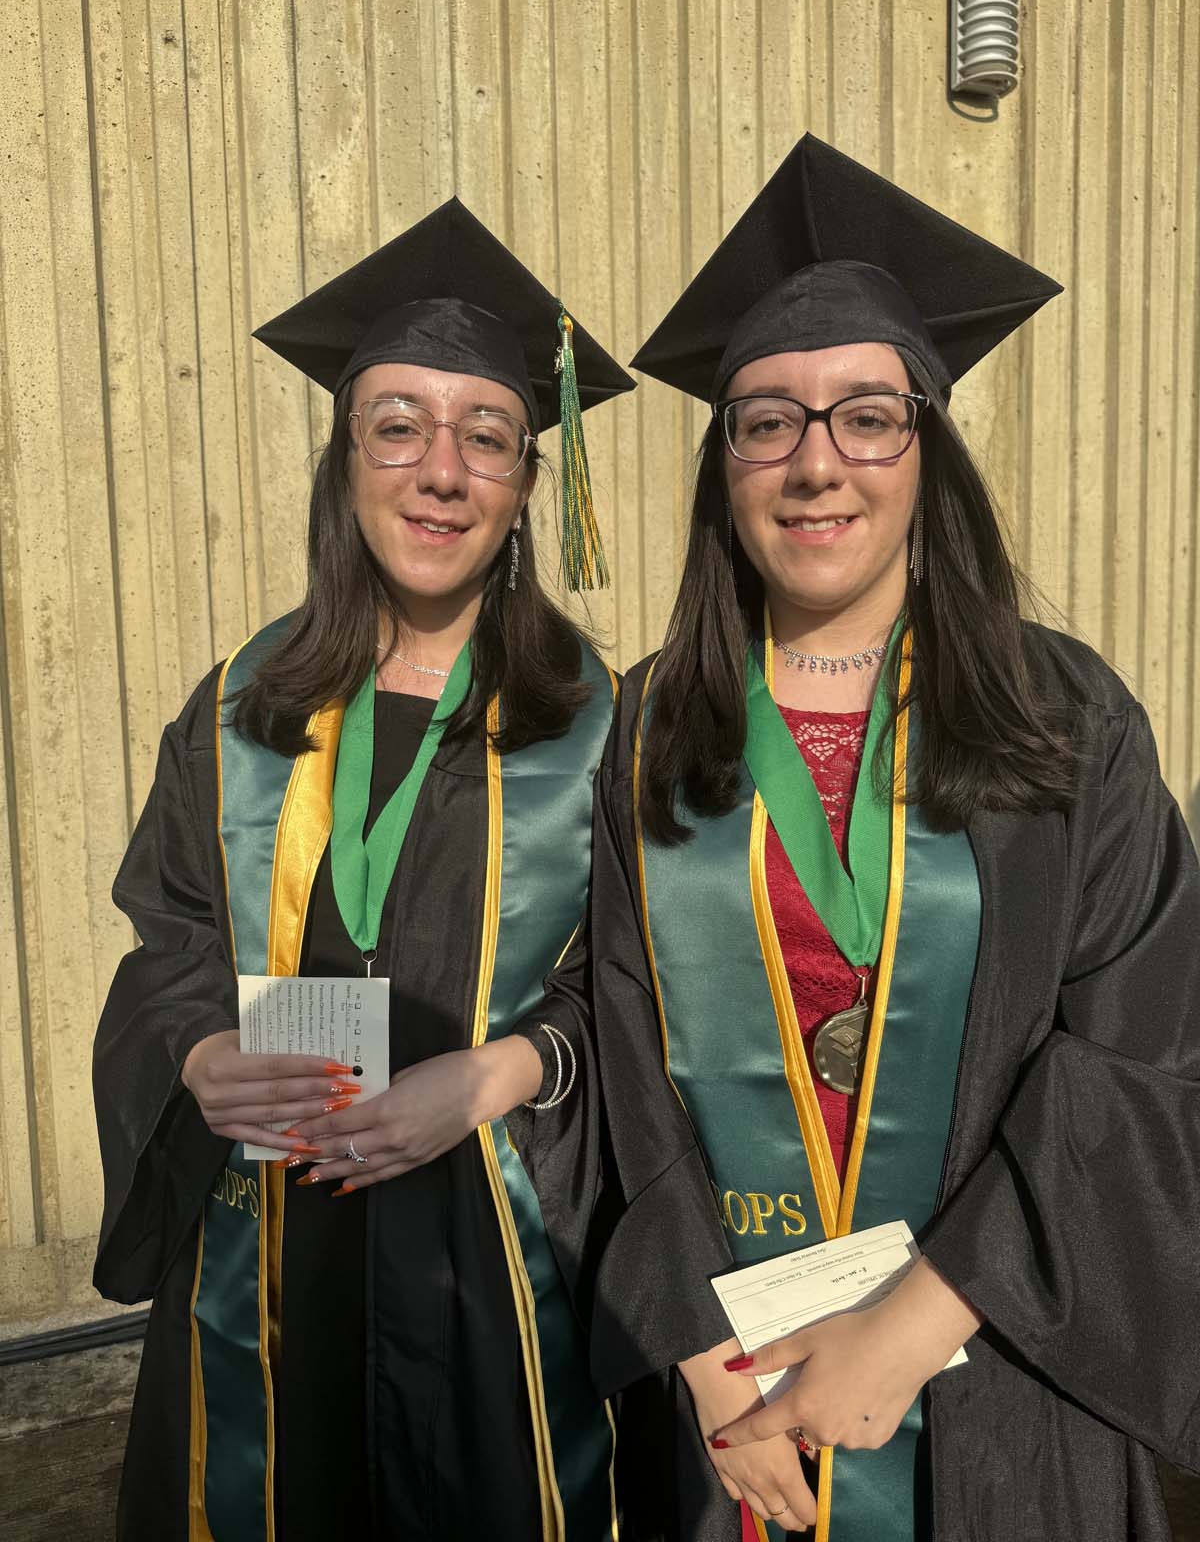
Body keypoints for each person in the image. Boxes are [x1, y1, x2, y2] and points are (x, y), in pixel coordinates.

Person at [586, 136, 1200, 1540]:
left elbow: (1142, 1050)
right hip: (737, 1398)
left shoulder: (1063, 715)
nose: (816, 463)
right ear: (722, 462)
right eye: (768, 420)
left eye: (868, 414)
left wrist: (912, 1325)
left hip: (1000, 1374)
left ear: (929, 447)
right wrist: (692, 1344)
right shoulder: (645, 732)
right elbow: (616, 1064)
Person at [91, 198, 634, 1541]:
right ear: (346, 463)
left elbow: (645, 991)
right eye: (397, 425)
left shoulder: (599, 724)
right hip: (270, 1241)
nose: (438, 470)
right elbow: (164, 940)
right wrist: (199, 1054)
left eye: (487, 438)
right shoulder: (235, 710)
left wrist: (499, 1073)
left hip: (491, 1253)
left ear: (523, 491)